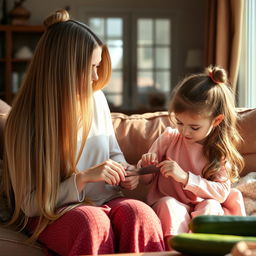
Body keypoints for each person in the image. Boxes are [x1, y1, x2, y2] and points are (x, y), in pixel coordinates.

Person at [1, 9, 165, 255]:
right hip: (52, 211)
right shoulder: (23, 122)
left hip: (105, 199)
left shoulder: (96, 99)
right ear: (63, 69)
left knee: (141, 214)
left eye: (98, 66)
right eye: (90, 68)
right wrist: (82, 178)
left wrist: (125, 171)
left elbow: (114, 153)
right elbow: (29, 204)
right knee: (91, 222)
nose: (97, 77)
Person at [137, 65, 246, 248]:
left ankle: (199, 247)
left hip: (202, 206)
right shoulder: (169, 138)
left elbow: (221, 192)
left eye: (194, 127)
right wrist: (145, 165)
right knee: (168, 205)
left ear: (216, 121)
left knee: (211, 207)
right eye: (179, 122)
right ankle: (174, 249)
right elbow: (145, 179)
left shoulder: (217, 151)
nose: (185, 131)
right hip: (169, 202)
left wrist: (185, 178)